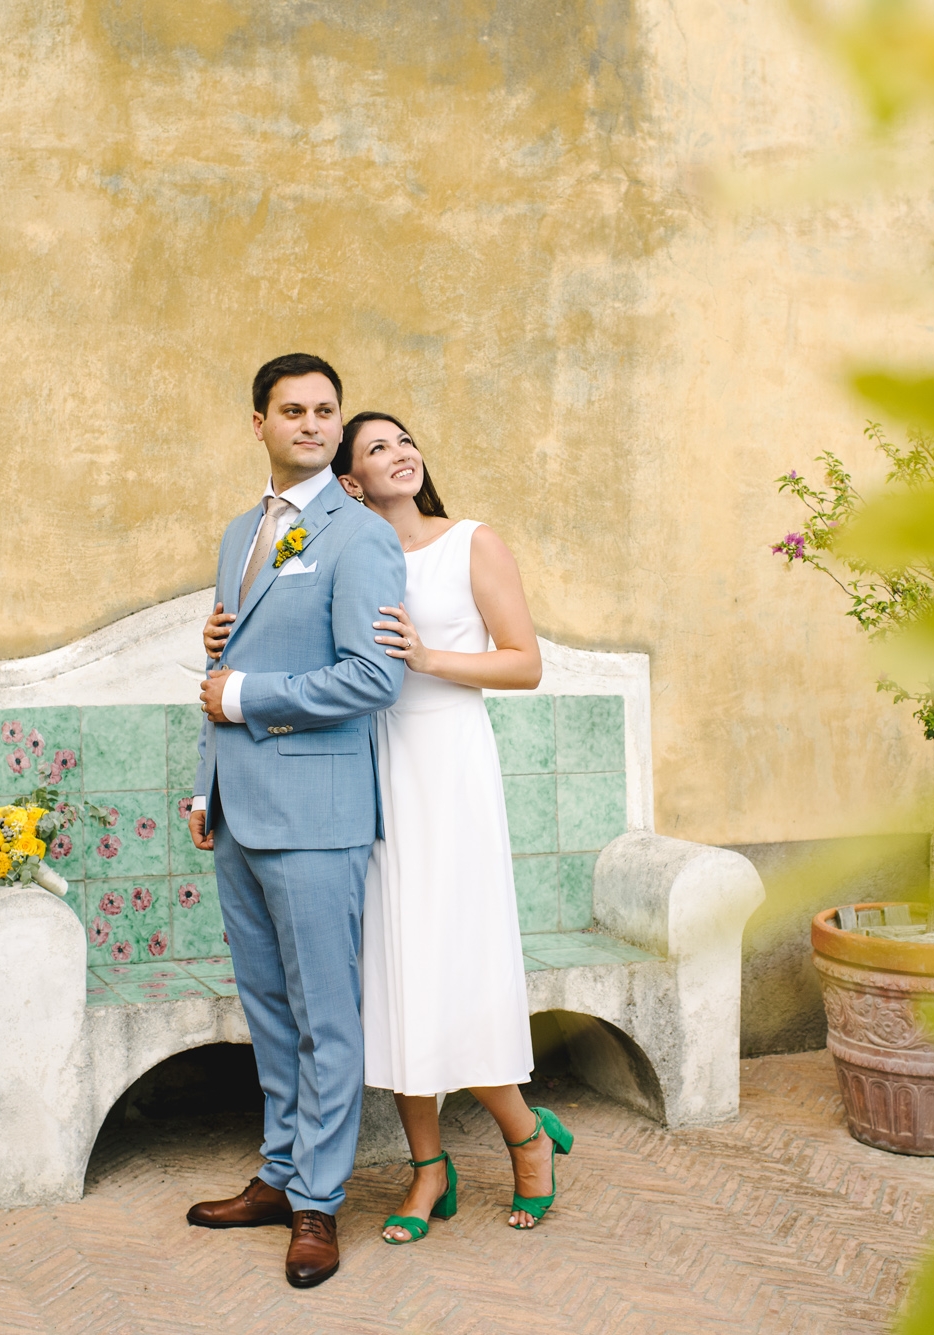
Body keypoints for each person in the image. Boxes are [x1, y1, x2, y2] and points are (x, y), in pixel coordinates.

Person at [205, 410, 574, 1248]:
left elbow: (525, 662)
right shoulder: (335, 546)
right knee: (391, 971)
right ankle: (428, 1164)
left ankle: (526, 1138)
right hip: (364, 772)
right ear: (350, 479)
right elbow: (284, 637)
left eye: (405, 442)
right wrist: (225, 635)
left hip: (445, 770)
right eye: (377, 448)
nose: (400, 454)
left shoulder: (471, 542)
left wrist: (428, 658)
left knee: (455, 962)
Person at [182, 354, 406, 1289]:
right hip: (239, 812)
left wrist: (245, 696)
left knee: (325, 1015)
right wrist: (206, 786)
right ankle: (277, 1174)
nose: (312, 423)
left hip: (318, 813)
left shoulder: (358, 538)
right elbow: (218, 670)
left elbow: (373, 676)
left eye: (326, 410)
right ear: (259, 423)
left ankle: (319, 1201)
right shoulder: (242, 529)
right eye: (293, 409)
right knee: (269, 1011)